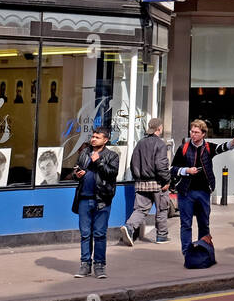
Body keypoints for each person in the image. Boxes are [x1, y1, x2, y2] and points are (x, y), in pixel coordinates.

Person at [171, 119, 234, 257]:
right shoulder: (183, 148)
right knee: (186, 224)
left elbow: (222, 147)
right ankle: (187, 253)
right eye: (192, 132)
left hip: (203, 192)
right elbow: (172, 169)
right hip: (185, 192)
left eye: (196, 132)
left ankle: (204, 250)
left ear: (203, 134)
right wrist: (186, 170)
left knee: (204, 224)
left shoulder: (208, 147)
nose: (193, 135)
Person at [71, 127, 120, 278]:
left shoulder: (112, 155)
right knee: (85, 234)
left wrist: (98, 161)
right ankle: (85, 264)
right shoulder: (85, 153)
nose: (93, 139)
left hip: (102, 199)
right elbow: (76, 172)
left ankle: (99, 265)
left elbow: (112, 174)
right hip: (84, 199)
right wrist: (77, 175)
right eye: (92, 136)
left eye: (97, 137)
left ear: (105, 140)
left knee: (99, 234)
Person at [122, 117, 171, 245]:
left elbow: (133, 163)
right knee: (162, 209)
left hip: (141, 182)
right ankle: (161, 236)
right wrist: (167, 180)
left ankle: (129, 227)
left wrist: (138, 177)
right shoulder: (160, 143)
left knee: (140, 209)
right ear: (159, 129)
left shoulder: (140, 143)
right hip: (158, 182)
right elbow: (161, 165)